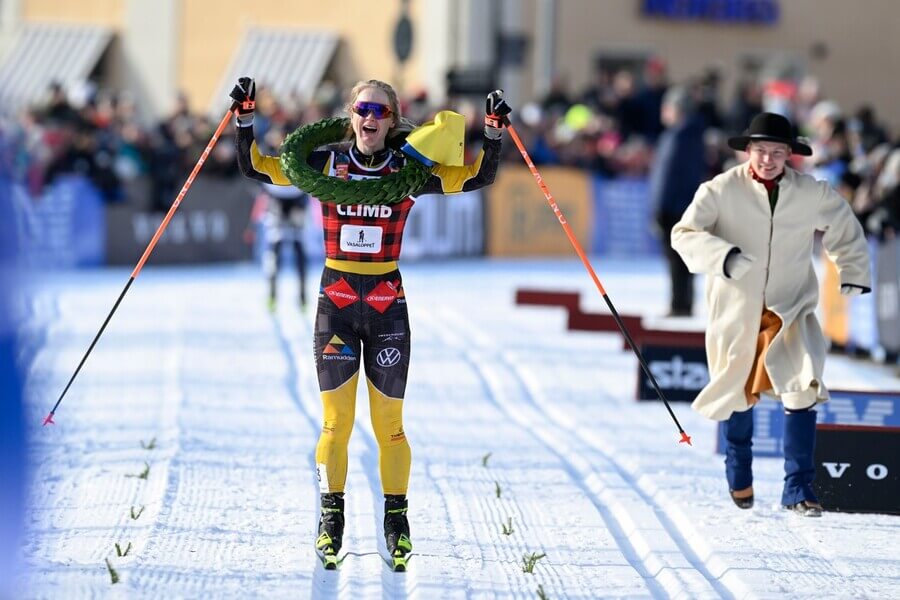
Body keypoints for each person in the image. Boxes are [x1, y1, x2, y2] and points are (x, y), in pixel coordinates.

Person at [230, 77, 510, 565]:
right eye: (362, 109)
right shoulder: (326, 162)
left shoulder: (410, 166)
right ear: (350, 114)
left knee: (391, 428)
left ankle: (396, 520)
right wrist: (245, 119)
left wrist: (493, 132)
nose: (370, 119)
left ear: (393, 119)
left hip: (386, 305)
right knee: (336, 424)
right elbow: (256, 166)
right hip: (336, 304)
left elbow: (477, 177)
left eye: (381, 111)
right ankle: (330, 518)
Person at [671, 112, 871, 517]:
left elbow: (844, 226)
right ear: (748, 151)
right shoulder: (721, 190)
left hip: (790, 306)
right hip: (736, 307)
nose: (767, 160)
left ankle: (799, 487)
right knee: (737, 393)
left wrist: (852, 271)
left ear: (790, 156)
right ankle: (738, 468)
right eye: (761, 151)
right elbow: (684, 234)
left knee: (803, 385)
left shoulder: (810, 193)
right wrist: (723, 256)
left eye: (777, 152)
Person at [649, 85, 706, 317]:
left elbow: (667, 176)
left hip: (673, 206)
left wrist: (658, 208)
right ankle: (684, 302)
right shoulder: (692, 135)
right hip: (686, 204)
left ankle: (679, 304)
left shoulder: (678, 136)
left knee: (676, 258)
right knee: (683, 258)